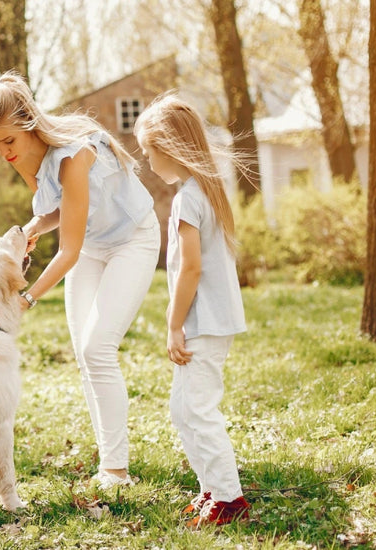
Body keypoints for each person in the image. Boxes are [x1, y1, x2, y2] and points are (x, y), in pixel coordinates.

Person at [0, 71, 160, 489]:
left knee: (98, 348)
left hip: (132, 239)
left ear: (28, 123)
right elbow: (64, 210)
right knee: (84, 355)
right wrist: (35, 225)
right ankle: (109, 461)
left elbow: (68, 251)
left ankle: (116, 471)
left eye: (8, 141)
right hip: (93, 244)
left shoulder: (75, 156)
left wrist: (25, 300)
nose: (3, 153)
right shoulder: (25, 157)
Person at [133, 92, 251, 526]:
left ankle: (228, 498)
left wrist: (173, 323)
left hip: (202, 322)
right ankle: (210, 489)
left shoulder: (187, 198)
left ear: (168, 147)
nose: (147, 161)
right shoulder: (207, 189)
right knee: (184, 410)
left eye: (148, 152)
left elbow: (191, 269)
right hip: (213, 321)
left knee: (196, 410)